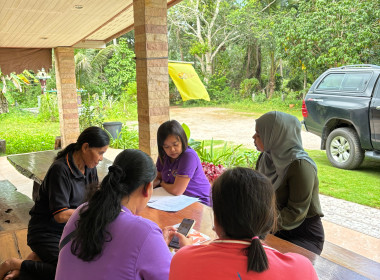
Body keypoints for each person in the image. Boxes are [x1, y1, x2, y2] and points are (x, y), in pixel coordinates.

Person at [0, 126, 109, 280]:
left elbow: (92, 201)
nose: (101, 158)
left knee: (94, 260)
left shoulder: (89, 168)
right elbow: (61, 215)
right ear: (85, 147)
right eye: (100, 153)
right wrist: (92, 212)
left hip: (71, 230)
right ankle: (13, 264)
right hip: (46, 232)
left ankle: (33, 259)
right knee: (67, 271)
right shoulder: (60, 170)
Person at [169, 167, 318, 279]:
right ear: (269, 219)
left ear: (216, 219)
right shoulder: (301, 269)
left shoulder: (183, 260)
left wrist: (188, 252)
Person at [55, 149, 174, 280]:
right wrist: (186, 253)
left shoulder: (82, 210)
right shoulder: (146, 232)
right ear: (147, 188)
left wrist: (156, 247)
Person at [254, 111, 324, 255]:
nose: (253, 137)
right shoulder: (265, 159)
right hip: (271, 227)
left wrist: (258, 224)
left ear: (276, 136)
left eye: (259, 134)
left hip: (302, 234)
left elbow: (295, 213)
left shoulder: (300, 166)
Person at [155, 120, 211, 205]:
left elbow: (177, 190)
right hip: (173, 200)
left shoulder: (189, 156)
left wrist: (163, 184)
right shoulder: (164, 156)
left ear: (183, 140)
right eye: (166, 147)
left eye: (175, 144)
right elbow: (158, 177)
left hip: (199, 201)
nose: (172, 150)